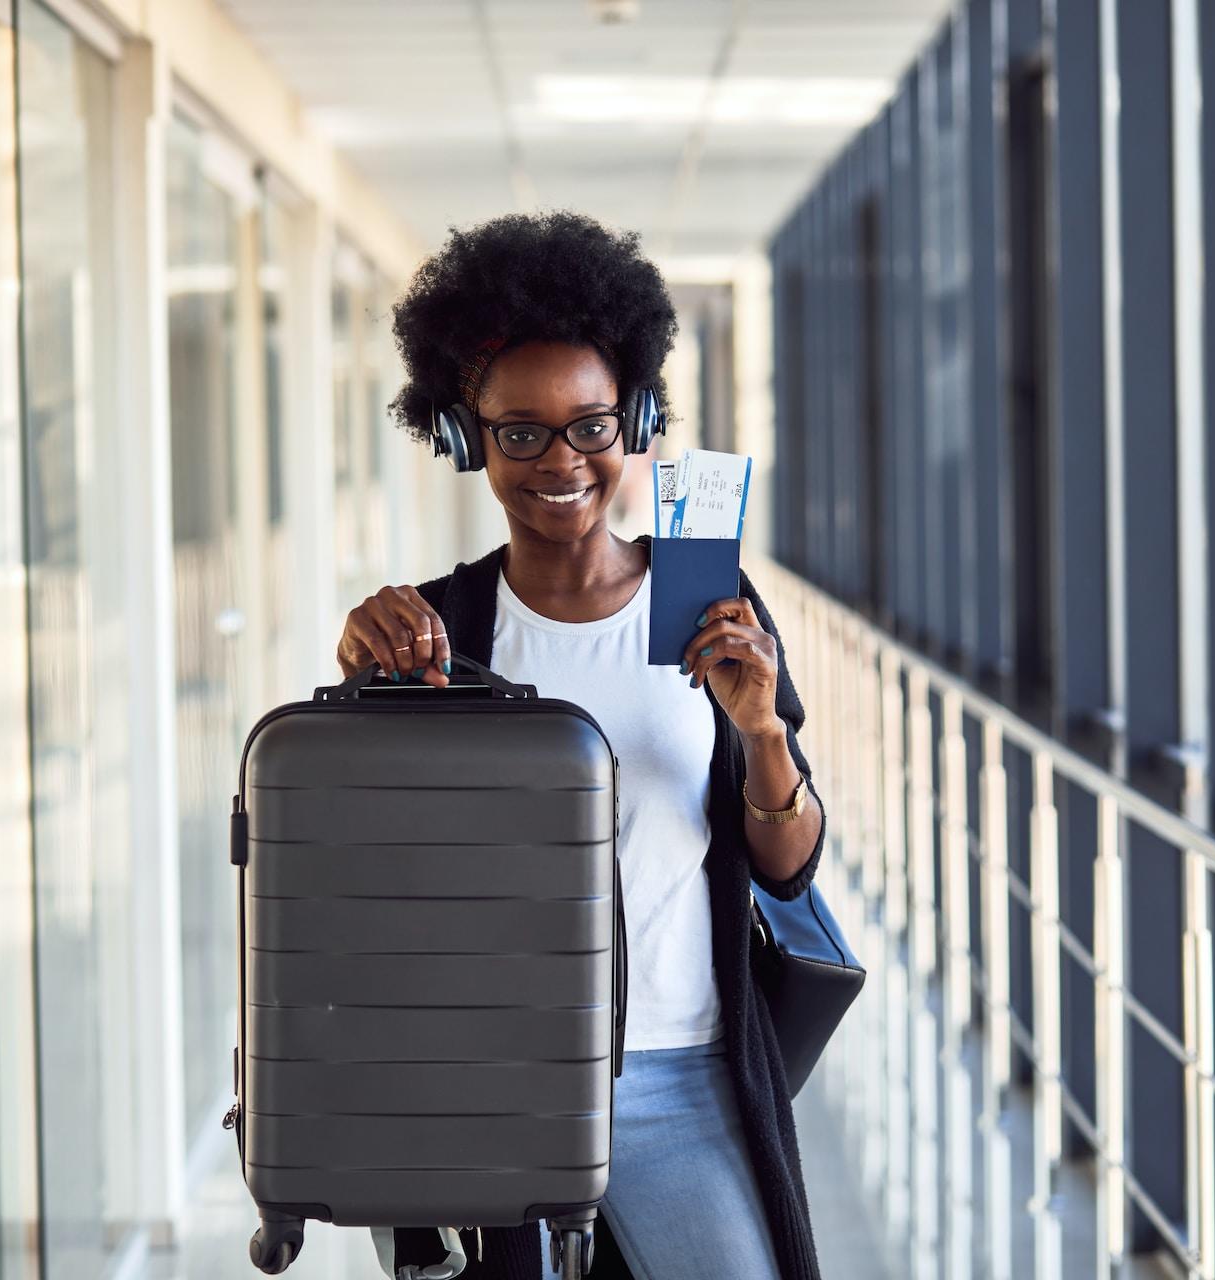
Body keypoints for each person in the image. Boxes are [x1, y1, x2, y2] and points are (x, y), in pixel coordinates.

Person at [338, 211, 827, 1280]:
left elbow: (788, 865)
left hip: (681, 1071)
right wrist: (362, 689)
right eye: (521, 430)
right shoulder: (440, 629)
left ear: (635, 422)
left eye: (592, 425)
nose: (562, 461)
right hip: (493, 1083)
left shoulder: (712, 607)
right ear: (468, 437)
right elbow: (366, 869)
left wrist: (761, 730)